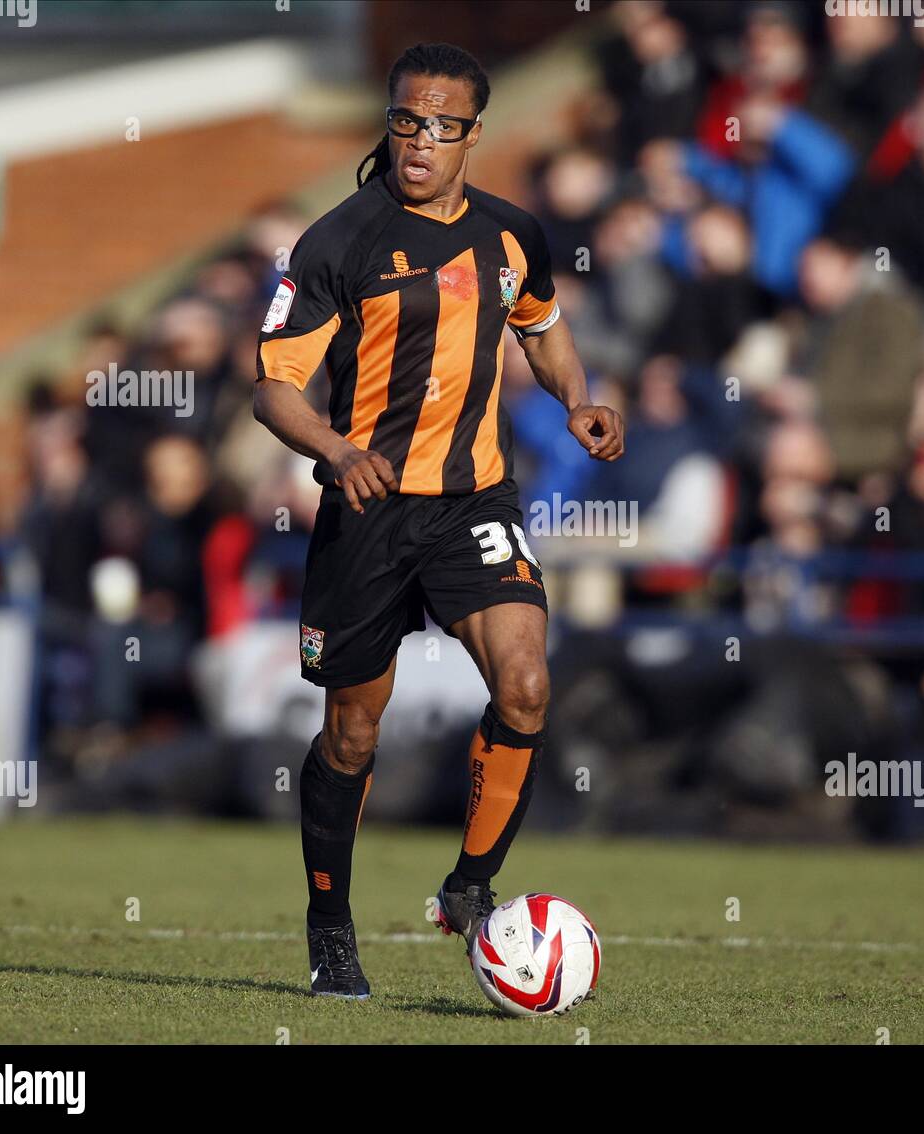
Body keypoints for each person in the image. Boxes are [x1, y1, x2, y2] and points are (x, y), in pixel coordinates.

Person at [253, 43, 624, 999]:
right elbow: (274, 389)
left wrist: (576, 399)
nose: (421, 141)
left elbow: (541, 323)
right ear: (389, 122)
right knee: (350, 739)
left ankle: (469, 887)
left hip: (473, 504)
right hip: (367, 510)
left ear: (473, 135)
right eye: (407, 120)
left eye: (443, 125)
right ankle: (329, 924)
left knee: (528, 683)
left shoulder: (511, 235)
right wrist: (335, 451)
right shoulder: (338, 242)